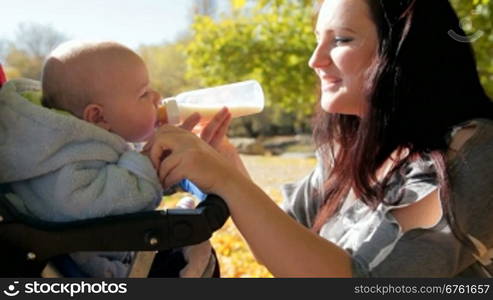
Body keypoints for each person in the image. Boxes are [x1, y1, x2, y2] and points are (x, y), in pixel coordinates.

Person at [147, 0, 493, 277]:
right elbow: (287, 243)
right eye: (318, 39)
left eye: (341, 39)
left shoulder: (472, 153)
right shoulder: (348, 150)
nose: (315, 60)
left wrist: (225, 179)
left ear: (405, 49)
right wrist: (227, 165)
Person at [0, 40, 232, 277]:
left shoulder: (73, 141)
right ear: (98, 116)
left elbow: (118, 172)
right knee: (199, 260)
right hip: (94, 270)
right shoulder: (61, 159)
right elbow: (103, 201)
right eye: (143, 93)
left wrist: (170, 161)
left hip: (106, 251)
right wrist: (152, 161)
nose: (157, 96)